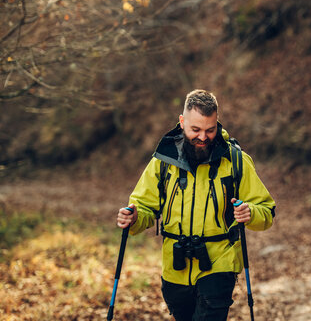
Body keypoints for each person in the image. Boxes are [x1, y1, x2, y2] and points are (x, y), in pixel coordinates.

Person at [116, 89, 276, 321]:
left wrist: (250, 213)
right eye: (196, 130)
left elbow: (267, 210)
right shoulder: (163, 160)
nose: (203, 137)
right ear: (182, 122)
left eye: (210, 130)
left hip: (219, 264)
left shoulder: (235, 160)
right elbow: (144, 206)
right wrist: (132, 218)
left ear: (217, 124)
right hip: (175, 268)